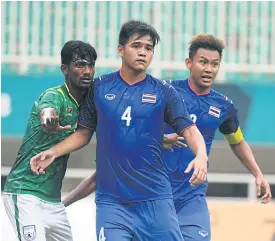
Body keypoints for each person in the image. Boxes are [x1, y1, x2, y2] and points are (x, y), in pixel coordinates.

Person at [30, 20, 208, 241]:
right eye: (137, 46)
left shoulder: (164, 92)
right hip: (112, 204)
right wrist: (54, 151)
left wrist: (201, 155)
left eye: (149, 48)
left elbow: (190, 131)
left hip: (156, 200)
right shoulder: (99, 88)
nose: (143, 52)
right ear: (120, 50)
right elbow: (83, 134)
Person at [162, 34, 272, 241]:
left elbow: (237, 141)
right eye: (203, 62)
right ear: (189, 63)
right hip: (155, 191)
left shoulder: (224, 106)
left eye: (214, 64)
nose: (209, 69)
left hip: (191, 195)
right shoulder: (165, 91)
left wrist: (258, 173)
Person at [3, 40, 97, 241]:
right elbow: (47, 111)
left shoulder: (91, 101)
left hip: (53, 202)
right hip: (25, 192)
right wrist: (49, 119)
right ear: (65, 69)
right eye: (80, 65)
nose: (87, 71)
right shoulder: (55, 96)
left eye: (91, 65)